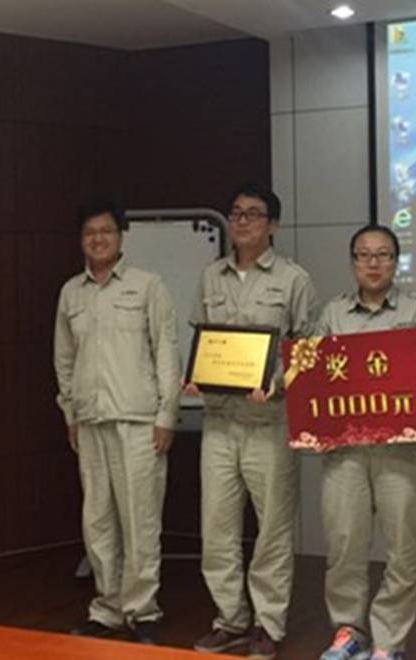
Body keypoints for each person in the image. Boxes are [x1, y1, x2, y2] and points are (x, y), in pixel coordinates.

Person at [187, 183, 318, 660]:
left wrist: (278, 383)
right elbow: (203, 340)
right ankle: (230, 619)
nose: (241, 222)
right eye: (236, 213)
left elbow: (307, 351)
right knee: (216, 529)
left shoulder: (294, 279)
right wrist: (196, 376)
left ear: (273, 225)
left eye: (253, 214)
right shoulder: (211, 276)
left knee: (272, 530)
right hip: (219, 423)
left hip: (269, 422)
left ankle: (267, 623)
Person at [317, 225, 416, 660]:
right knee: (344, 545)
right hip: (346, 451)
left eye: (383, 255)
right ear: (353, 262)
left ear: (396, 262)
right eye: (364, 255)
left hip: (404, 451)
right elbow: (313, 377)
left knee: (402, 550)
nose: (373, 263)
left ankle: (389, 642)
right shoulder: (332, 314)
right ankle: (348, 631)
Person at [54, 199, 181, 645]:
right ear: (81, 240)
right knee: (98, 521)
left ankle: (143, 611)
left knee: (140, 521)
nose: (98, 239)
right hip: (90, 422)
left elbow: (166, 352)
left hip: (138, 422)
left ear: (121, 235)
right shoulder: (71, 293)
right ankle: (107, 608)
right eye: (90, 233)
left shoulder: (148, 286)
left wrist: (167, 415)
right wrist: (70, 412)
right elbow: (64, 359)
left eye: (106, 231)